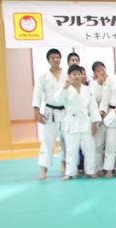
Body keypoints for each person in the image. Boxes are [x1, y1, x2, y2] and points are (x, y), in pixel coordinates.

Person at [56, 65, 101, 180]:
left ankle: (91, 171)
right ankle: (70, 172)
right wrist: (64, 87)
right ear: (69, 76)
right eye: (74, 74)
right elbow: (58, 100)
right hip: (72, 122)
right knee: (71, 150)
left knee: (90, 149)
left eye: (78, 74)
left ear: (82, 75)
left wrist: (94, 123)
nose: (76, 76)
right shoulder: (66, 88)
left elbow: (93, 107)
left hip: (85, 122)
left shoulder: (87, 89)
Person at [32, 48, 67, 179]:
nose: (56, 60)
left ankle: (65, 164)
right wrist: (36, 111)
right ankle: (43, 169)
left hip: (65, 111)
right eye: (53, 58)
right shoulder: (43, 76)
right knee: (47, 141)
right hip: (49, 111)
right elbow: (37, 93)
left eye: (58, 57)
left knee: (67, 140)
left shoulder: (67, 74)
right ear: (48, 60)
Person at [89, 61, 108, 168]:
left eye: (102, 69)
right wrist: (94, 121)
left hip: (110, 118)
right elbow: (92, 104)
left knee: (110, 144)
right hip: (98, 119)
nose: (101, 72)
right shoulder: (92, 85)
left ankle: (110, 167)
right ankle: (98, 167)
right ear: (95, 73)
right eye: (98, 71)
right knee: (98, 145)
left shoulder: (111, 82)